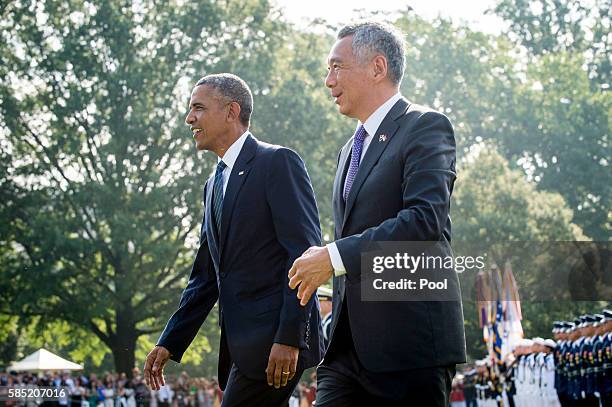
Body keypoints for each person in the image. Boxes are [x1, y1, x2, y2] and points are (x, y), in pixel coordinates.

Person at [287, 21, 466, 405]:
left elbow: (424, 221)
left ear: (377, 67)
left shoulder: (425, 127)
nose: (328, 80)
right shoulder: (348, 150)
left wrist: (333, 257)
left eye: (337, 67)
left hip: (408, 348)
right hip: (345, 352)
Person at [143, 73, 324, 406]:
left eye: (198, 107)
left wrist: (290, 338)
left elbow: (303, 255)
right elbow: (206, 277)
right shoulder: (212, 185)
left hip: (276, 347)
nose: (189, 118)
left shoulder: (277, 162)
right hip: (242, 349)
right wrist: (170, 341)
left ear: (231, 111)